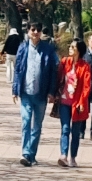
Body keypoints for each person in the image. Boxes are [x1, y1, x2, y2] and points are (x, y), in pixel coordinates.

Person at [10, 21, 60, 164]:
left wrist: (51, 91)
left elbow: (53, 72)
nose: (36, 32)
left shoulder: (48, 49)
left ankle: (31, 154)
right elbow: (18, 69)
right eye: (33, 29)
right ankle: (25, 153)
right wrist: (15, 89)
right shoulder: (23, 48)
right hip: (26, 92)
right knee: (26, 122)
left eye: (38, 29)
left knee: (37, 126)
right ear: (28, 31)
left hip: (41, 93)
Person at [57, 36, 92, 165]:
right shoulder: (65, 62)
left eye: (73, 47)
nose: (70, 49)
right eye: (70, 46)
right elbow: (58, 77)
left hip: (77, 104)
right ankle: (63, 155)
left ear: (79, 50)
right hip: (64, 102)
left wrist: (82, 102)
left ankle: (73, 157)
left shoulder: (85, 66)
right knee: (65, 128)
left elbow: (86, 87)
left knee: (75, 132)